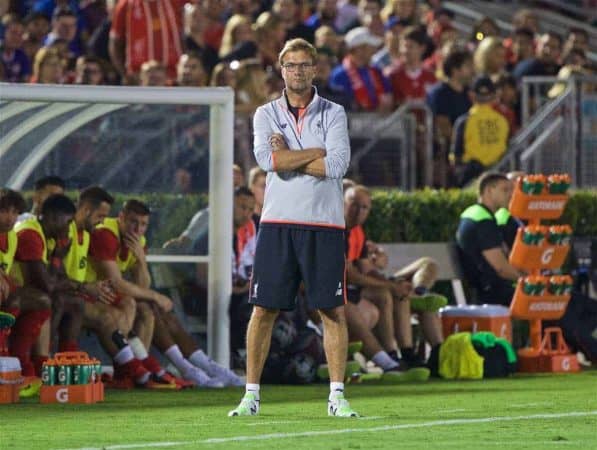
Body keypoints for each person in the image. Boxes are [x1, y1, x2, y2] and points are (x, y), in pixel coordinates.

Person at [229, 38, 357, 418]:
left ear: (314, 69)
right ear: (281, 69)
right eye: (290, 65)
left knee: (332, 311)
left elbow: (336, 166)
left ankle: (336, 396)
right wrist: (313, 153)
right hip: (278, 224)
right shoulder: (265, 113)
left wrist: (289, 159)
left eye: (304, 65)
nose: (297, 71)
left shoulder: (334, 112)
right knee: (263, 310)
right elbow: (266, 159)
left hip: (325, 225)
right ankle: (250, 396)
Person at [88, 199, 237, 387]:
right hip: (95, 295)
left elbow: (142, 285)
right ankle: (165, 370)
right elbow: (117, 284)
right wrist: (155, 296)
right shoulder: (105, 234)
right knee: (148, 307)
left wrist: (141, 261)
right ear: (121, 218)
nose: (138, 229)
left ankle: (197, 367)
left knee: (156, 311)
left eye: (143, 224)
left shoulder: (137, 241)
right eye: (133, 222)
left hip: (112, 296)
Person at [456, 172, 522, 306]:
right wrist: (527, 280)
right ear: (489, 191)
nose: (511, 194)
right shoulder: (483, 221)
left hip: (487, 289)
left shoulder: (476, 213)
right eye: (505, 190)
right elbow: (501, 268)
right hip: (489, 294)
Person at [451, 76, 510, 187]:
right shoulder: (503, 121)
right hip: (496, 174)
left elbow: (455, 154)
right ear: (494, 96)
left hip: (470, 175)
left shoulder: (465, 121)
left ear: (471, 95)